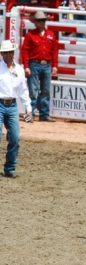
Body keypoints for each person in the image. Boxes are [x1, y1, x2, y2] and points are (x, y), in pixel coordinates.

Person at [0, 40, 33, 178]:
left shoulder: (19, 69)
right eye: (6, 52)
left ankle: (10, 168)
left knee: (15, 138)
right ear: (2, 54)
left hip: (12, 105)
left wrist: (28, 108)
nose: (8, 54)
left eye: (10, 52)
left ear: (13, 53)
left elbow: (23, 90)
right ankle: (10, 168)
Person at [21, 11, 58, 122]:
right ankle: (30, 114)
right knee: (33, 91)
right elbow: (25, 51)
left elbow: (54, 51)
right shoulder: (30, 35)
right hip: (34, 64)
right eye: (39, 21)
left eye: (43, 20)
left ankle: (44, 115)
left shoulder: (51, 34)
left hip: (46, 64)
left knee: (45, 90)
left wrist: (55, 65)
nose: (41, 22)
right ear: (35, 22)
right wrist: (26, 66)